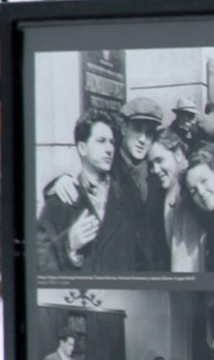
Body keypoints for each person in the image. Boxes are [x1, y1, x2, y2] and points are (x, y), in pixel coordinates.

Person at [36, 108, 147, 273]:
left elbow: (141, 261)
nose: (109, 149)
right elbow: (38, 260)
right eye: (101, 141)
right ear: (82, 148)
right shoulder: (61, 199)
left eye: (111, 142)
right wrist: (68, 245)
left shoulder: (128, 197)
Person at [147, 129, 205, 271]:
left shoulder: (192, 190)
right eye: (151, 165)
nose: (155, 170)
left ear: (178, 154)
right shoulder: (167, 191)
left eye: (159, 160)